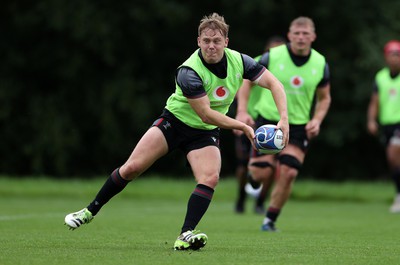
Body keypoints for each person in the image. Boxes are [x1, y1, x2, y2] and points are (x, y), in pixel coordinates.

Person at [64, 13, 289, 250]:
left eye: (216, 40)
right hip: (174, 123)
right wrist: (243, 126)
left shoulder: (240, 61)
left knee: (210, 178)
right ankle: (89, 211)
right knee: (132, 168)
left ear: (226, 41)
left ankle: (185, 235)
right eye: (206, 40)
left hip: (204, 133)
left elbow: (275, 84)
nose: (211, 45)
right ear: (198, 41)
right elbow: (205, 113)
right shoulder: (188, 71)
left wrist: (283, 118)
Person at [236, 16, 331, 231]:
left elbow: (325, 98)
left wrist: (316, 120)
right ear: (289, 35)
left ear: (313, 37)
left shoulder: (320, 63)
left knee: (289, 172)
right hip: (268, 121)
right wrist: (242, 111)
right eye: (296, 33)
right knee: (261, 174)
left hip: (298, 126)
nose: (300, 37)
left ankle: (269, 220)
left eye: (305, 33)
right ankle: (254, 180)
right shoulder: (271, 56)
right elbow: (245, 81)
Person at [234, 36, 286, 214]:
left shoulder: (285, 69)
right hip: (248, 119)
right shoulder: (255, 64)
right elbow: (237, 87)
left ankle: (260, 202)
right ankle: (241, 197)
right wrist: (241, 113)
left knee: (272, 165)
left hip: (269, 122)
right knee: (242, 164)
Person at [367, 40, 400, 213]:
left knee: (393, 154)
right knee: (393, 161)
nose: (395, 59)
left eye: (398, 55)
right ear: (386, 57)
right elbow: (375, 102)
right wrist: (372, 120)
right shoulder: (381, 77)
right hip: (387, 124)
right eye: (392, 55)